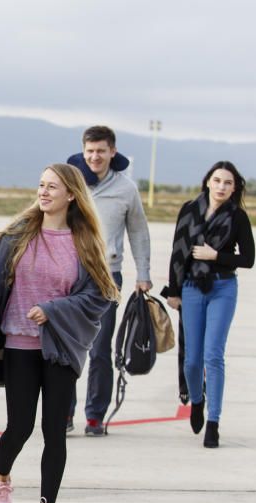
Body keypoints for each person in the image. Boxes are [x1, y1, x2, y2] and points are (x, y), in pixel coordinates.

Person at [0, 163, 118, 503]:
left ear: (71, 195)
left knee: (54, 431)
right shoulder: (17, 235)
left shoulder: (85, 242)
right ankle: (2, 477)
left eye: (53, 187)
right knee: (20, 426)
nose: (43, 192)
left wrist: (54, 310)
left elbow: (97, 297)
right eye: (41, 185)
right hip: (18, 343)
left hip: (59, 348)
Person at [65, 126, 151, 437]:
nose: (95, 156)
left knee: (100, 350)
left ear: (112, 152)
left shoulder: (126, 188)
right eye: (89, 151)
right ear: (83, 151)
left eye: (101, 151)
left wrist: (143, 274)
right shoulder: (71, 183)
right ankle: (64, 412)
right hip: (70, 273)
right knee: (68, 346)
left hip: (107, 276)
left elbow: (139, 232)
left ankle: (94, 416)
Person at [163, 161, 254, 449]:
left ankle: (213, 422)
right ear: (208, 182)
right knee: (192, 359)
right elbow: (178, 251)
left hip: (223, 288)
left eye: (228, 183)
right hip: (190, 288)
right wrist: (174, 290)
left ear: (234, 187)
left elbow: (248, 259)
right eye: (217, 181)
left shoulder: (238, 217)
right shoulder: (189, 209)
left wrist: (217, 256)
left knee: (213, 355)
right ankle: (197, 401)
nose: (221, 187)